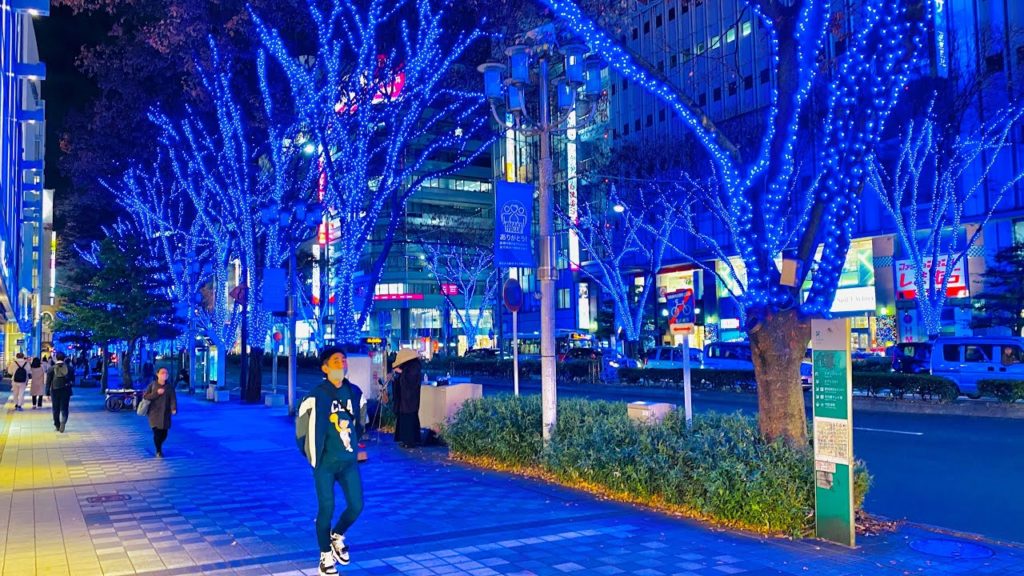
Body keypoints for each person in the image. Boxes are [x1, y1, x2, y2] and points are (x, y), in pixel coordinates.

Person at [296, 347, 364, 576]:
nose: (341, 364)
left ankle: (336, 535)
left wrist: (355, 446)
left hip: (348, 461)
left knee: (356, 506)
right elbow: (301, 430)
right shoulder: (315, 396)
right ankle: (325, 555)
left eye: (343, 360)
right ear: (325, 368)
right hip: (325, 463)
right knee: (327, 508)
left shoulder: (354, 392)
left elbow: (360, 424)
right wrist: (312, 455)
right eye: (336, 361)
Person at [391, 349, 423, 449]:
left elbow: (410, 380)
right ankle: (405, 440)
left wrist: (401, 372)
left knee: (409, 419)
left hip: (410, 399)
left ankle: (409, 441)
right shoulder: (409, 365)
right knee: (404, 419)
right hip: (405, 399)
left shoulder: (414, 366)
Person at [143, 367, 177, 458]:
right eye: (162, 373)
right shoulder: (152, 385)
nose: (164, 375)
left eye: (166, 373)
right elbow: (146, 396)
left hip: (166, 414)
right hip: (154, 414)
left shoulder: (169, 387)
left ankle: (159, 444)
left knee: (164, 433)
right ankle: (158, 450)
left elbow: (173, 399)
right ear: (157, 374)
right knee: (157, 432)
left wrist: (173, 408)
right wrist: (156, 393)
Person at [46, 353, 74, 432]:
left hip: (54, 390)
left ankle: (57, 425)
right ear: (64, 358)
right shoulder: (69, 368)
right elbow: (73, 380)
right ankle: (63, 422)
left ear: (56, 358)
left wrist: (47, 392)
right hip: (66, 390)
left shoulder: (51, 368)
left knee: (55, 408)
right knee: (64, 407)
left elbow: (48, 382)